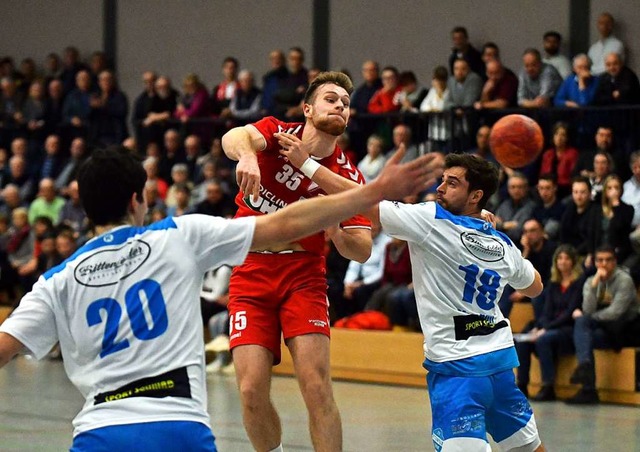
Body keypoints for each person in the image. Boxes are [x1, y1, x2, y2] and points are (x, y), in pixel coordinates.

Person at [0, 143, 434, 450]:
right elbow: (283, 225)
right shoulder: (178, 235)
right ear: (138, 200)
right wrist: (371, 191)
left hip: (99, 432)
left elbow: (4, 348)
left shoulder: (58, 279)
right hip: (179, 430)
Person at [279, 149, 545, 451]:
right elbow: (535, 286)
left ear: (476, 196)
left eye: (453, 183)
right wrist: (484, 231)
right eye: (442, 180)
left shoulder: (431, 219)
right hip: (500, 364)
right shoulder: (502, 242)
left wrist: (305, 163)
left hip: (457, 370)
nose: (440, 188)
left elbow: (363, 198)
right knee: (528, 448)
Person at [221, 71, 374, 452]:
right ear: (308, 108)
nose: (340, 105)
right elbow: (232, 136)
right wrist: (248, 157)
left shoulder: (345, 175)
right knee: (250, 390)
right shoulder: (277, 134)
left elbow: (363, 248)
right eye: (330, 98)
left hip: (302, 276)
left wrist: (337, 230)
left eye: (345, 102)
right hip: (250, 271)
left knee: (317, 386)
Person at [567, 245, 639, 404]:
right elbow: (588, 308)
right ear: (595, 262)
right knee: (586, 334)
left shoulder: (624, 280)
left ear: (615, 262)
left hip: (623, 330)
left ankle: (588, 389)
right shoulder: (590, 281)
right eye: (600, 260)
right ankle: (587, 381)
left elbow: (615, 313)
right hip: (601, 329)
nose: (604, 264)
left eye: (608, 260)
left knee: (582, 325)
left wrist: (589, 317)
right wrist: (594, 285)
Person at [515, 244, 584, 401]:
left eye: (566, 258)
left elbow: (569, 313)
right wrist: (539, 327)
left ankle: (548, 386)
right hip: (549, 326)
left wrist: (545, 329)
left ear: (573, 261)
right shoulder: (553, 284)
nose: (563, 262)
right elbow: (546, 311)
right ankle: (522, 385)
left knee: (543, 339)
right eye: (560, 258)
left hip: (567, 328)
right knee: (523, 340)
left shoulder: (579, 283)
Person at [538, 121, 579, 199]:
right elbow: (543, 174)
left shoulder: (572, 153)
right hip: (548, 187)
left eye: (562, 135)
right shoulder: (548, 154)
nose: (559, 138)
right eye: (556, 134)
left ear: (567, 138)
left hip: (564, 188)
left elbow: (573, 176)